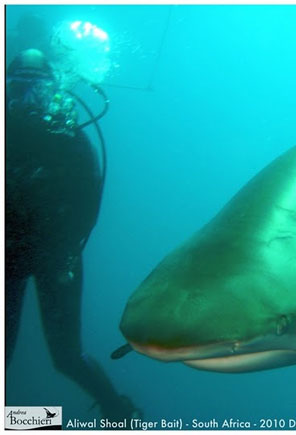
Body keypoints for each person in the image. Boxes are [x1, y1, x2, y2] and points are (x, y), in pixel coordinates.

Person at [6, 45, 139, 420]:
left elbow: (88, 203)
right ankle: (31, 424)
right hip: (14, 258)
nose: (27, 97)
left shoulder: (68, 136)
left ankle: (119, 415)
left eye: (37, 88)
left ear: (52, 90)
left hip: (55, 257)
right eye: (18, 87)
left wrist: (64, 247)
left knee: (66, 357)